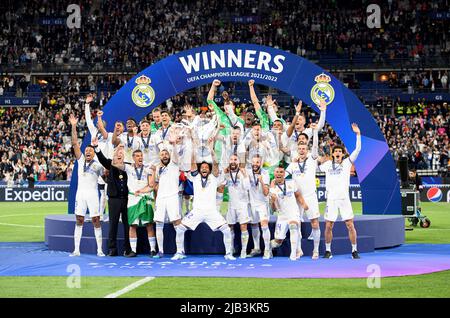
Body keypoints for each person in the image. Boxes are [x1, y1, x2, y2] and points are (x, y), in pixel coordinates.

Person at [171, 142, 236, 261]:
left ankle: (228, 253)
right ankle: (179, 252)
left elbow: (215, 166)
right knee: (180, 228)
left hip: (212, 212)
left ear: (209, 170)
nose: (204, 169)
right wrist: (194, 152)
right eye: (202, 167)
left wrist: (211, 151)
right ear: (200, 169)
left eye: (206, 167)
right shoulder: (195, 178)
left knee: (226, 230)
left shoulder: (214, 178)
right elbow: (192, 166)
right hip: (197, 211)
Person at [318, 123, 361, 259]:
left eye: (340, 152)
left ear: (343, 154)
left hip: (344, 199)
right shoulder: (326, 165)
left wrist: (358, 135)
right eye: (335, 151)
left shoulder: (347, 163)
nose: (337, 153)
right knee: (329, 225)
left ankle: (354, 250)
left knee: (350, 224)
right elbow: (315, 165)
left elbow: (358, 149)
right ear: (333, 154)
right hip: (331, 199)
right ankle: (328, 250)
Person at [68, 114, 105, 257]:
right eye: (87, 150)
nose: (88, 151)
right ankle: (76, 249)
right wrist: (73, 126)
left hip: (92, 195)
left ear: (94, 153)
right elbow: (75, 143)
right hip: (81, 195)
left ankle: (99, 250)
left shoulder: (97, 165)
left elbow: (105, 176)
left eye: (91, 150)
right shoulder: (80, 160)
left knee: (96, 220)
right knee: (79, 219)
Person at [286, 123, 322, 259]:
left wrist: (315, 131)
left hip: (310, 196)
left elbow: (315, 146)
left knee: (315, 223)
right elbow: (283, 175)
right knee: (297, 224)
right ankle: (299, 250)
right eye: (299, 148)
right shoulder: (293, 164)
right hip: (297, 198)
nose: (301, 150)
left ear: (307, 150)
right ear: (297, 150)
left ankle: (316, 250)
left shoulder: (312, 160)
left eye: (303, 148)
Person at [94, 141, 132, 257]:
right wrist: (96, 148)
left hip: (127, 199)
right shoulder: (110, 164)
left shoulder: (128, 166)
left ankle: (128, 249)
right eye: (117, 151)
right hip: (114, 200)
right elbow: (102, 159)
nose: (120, 153)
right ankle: (112, 249)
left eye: (122, 151)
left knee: (127, 225)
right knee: (113, 225)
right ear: (114, 154)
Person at [150, 137, 182, 258]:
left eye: (166, 154)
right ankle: (161, 251)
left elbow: (175, 155)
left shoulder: (174, 164)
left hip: (173, 196)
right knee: (158, 223)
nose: (164, 156)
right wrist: (153, 171)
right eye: (162, 154)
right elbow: (154, 185)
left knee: (176, 223)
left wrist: (173, 145)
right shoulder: (158, 168)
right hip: (161, 198)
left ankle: (180, 250)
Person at [269, 165, 309, 260]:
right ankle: (268, 247)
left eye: (281, 172)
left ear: (284, 174)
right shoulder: (272, 189)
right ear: (274, 174)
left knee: (293, 226)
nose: (279, 174)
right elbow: (273, 210)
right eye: (277, 172)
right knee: (278, 241)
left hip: (293, 213)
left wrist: (304, 204)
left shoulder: (291, 183)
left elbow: (298, 195)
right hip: (282, 216)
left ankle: (293, 254)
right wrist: (273, 201)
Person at [221, 154, 251, 258]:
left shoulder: (243, 173)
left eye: (235, 160)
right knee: (230, 227)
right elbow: (219, 185)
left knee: (243, 226)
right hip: (231, 204)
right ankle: (231, 248)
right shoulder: (226, 173)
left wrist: (245, 176)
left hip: (242, 204)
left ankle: (243, 251)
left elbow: (247, 187)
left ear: (238, 162)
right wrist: (222, 174)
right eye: (231, 159)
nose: (233, 161)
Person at [246, 154, 271, 259]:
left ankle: (267, 250)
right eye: (254, 162)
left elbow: (266, 193)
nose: (255, 164)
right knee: (254, 225)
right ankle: (257, 248)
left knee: (264, 225)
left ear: (260, 163)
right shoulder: (247, 173)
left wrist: (261, 181)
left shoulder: (265, 174)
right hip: (251, 204)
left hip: (262, 204)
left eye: (257, 162)